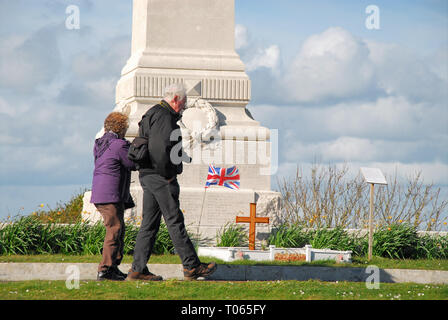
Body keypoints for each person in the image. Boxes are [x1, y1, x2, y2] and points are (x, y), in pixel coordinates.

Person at [128, 83, 217, 281]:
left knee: (149, 225)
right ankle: (192, 266)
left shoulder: (152, 113)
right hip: (160, 177)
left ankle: (137, 269)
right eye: (183, 103)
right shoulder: (165, 116)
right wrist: (167, 175)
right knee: (174, 220)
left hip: (147, 175)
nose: (184, 107)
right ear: (175, 99)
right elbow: (160, 149)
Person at [90, 112, 136, 281]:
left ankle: (113, 266)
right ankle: (105, 269)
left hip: (100, 193)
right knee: (114, 230)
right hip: (111, 194)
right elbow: (131, 163)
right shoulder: (118, 145)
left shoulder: (100, 144)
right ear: (121, 128)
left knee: (118, 229)